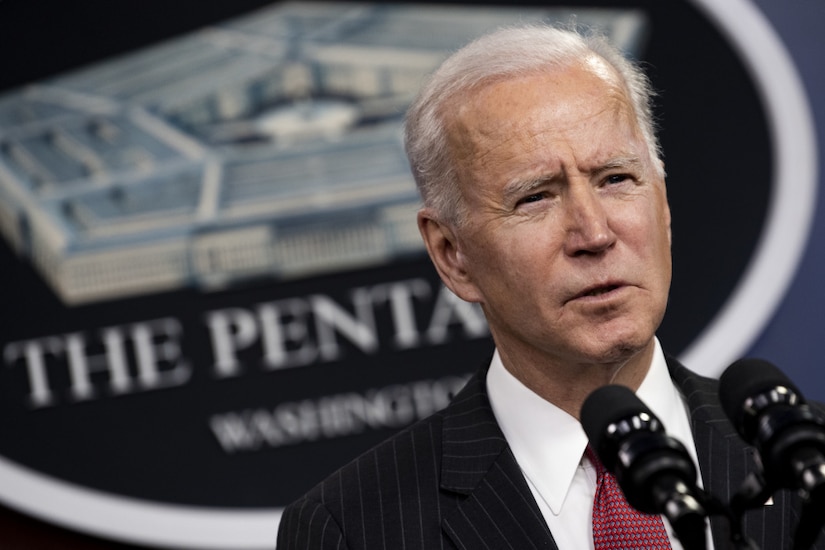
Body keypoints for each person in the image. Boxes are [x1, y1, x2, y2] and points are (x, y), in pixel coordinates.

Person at [276, 23, 819, 550]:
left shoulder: (807, 462)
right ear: (452, 255)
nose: (595, 233)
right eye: (535, 197)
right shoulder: (353, 529)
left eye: (616, 179)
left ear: (664, 205)